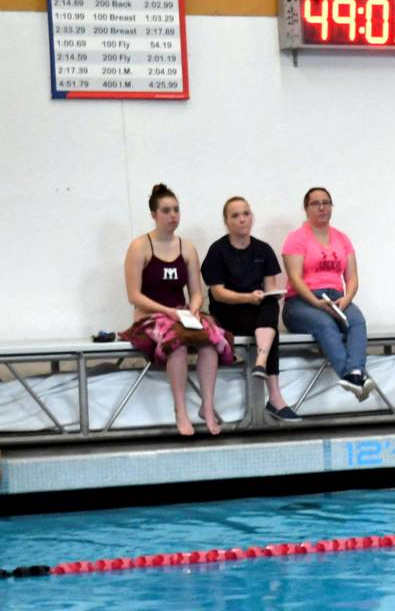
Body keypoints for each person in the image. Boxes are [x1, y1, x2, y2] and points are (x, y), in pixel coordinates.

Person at [121, 184, 233, 436]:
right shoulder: (140, 247)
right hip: (150, 316)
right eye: (166, 211)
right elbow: (134, 296)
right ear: (153, 215)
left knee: (211, 340)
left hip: (180, 314)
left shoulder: (187, 247)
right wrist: (167, 311)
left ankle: (207, 406)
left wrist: (194, 308)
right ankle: (181, 410)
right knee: (178, 344)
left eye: (176, 210)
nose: (173, 215)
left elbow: (195, 291)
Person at [201, 196, 299, 423]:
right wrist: (247, 297)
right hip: (228, 312)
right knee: (269, 327)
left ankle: (261, 363)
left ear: (252, 217)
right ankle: (275, 397)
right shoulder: (218, 250)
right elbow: (217, 293)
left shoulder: (263, 250)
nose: (242, 219)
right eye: (235, 215)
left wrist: (267, 295)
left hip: (258, 311)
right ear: (226, 221)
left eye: (246, 214)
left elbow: (270, 288)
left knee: (270, 307)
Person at [281, 187, 376, 402]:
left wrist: (346, 299)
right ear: (306, 209)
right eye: (315, 203)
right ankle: (357, 376)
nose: (322, 207)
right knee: (325, 324)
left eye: (326, 202)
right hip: (301, 301)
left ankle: (353, 374)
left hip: (336, 299)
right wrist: (315, 301)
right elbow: (295, 277)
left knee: (357, 322)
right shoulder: (296, 238)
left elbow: (352, 278)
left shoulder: (342, 239)